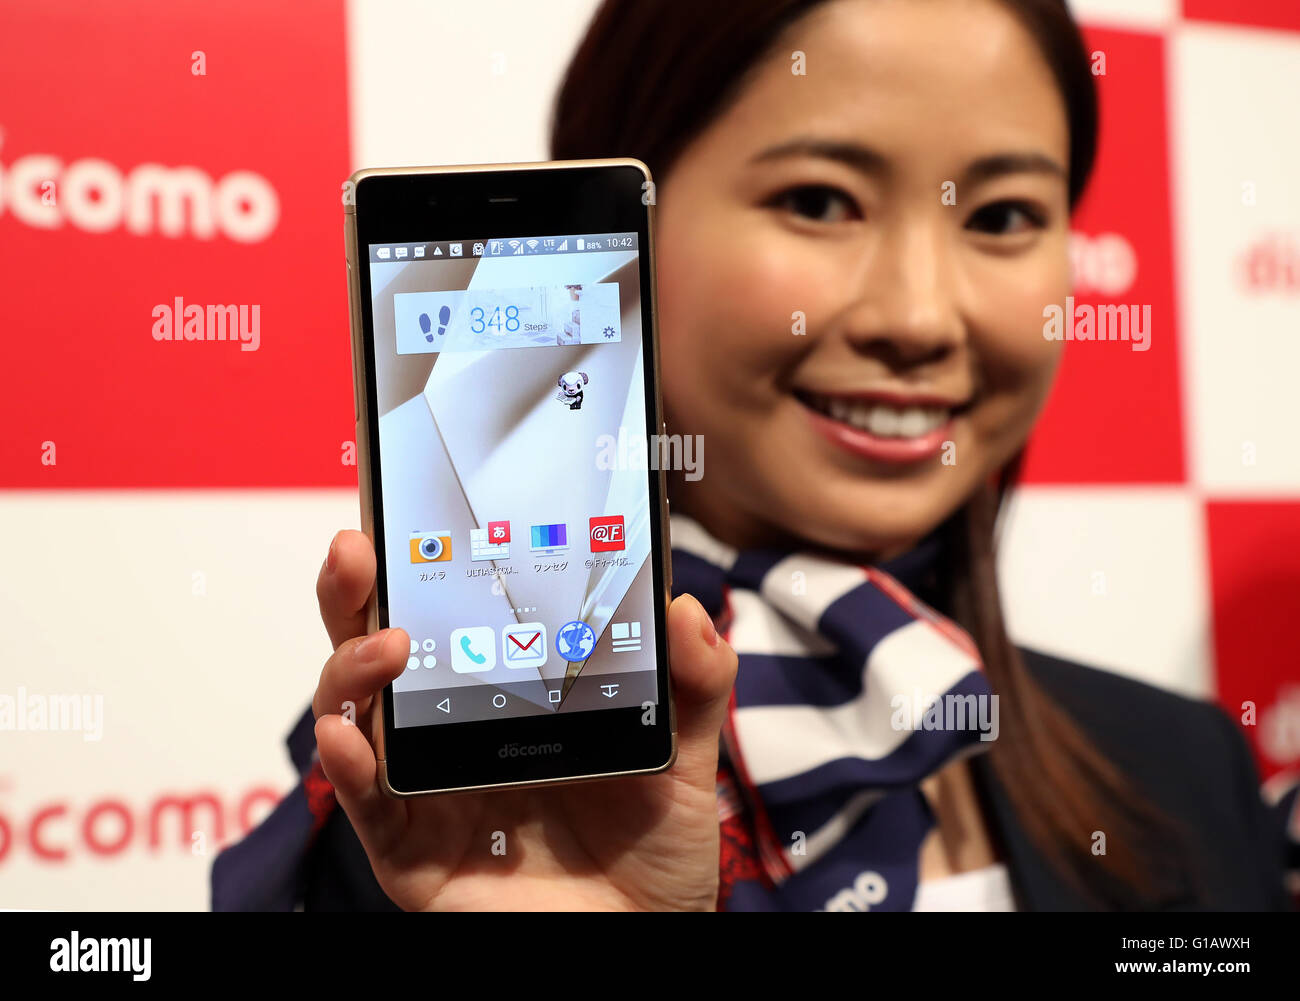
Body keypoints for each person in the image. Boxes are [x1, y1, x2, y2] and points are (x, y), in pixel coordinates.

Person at [212, 0, 1293, 911]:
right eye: (817, 200)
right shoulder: (401, 836)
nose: (920, 314)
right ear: (628, 227)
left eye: (1002, 214)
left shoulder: (1185, 770)